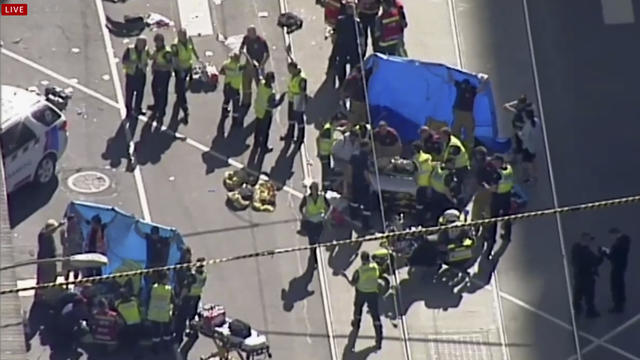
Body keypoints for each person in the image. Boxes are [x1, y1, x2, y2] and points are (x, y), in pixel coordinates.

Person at [349, 251, 382, 350]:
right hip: (373, 294)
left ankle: (357, 324)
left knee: (358, 308)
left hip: (361, 293)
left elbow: (353, 283)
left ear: (362, 260)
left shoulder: (359, 271)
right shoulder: (375, 267)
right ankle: (379, 337)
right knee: (375, 316)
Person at [447, 72, 488, 150]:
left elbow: (451, 80)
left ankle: (462, 146)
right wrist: (485, 82)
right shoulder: (466, 88)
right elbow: (481, 89)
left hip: (463, 111)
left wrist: (485, 82)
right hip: (462, 111)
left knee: (465, 129)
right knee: (460, 129)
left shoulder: (465, 88)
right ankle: (456, 145)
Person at [329, 2, 364, 86]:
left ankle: (342, 82)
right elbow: (361, 36)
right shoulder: (356, 22)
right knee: (353, 64)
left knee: (342, 64)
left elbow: (336, 33)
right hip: (352, 46)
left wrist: (334, 41)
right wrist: (362, 47)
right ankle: (351, 81)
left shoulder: (341, 20)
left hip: (343, 45)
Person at [571, 233, 604, 318]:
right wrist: (601, 255)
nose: (590, 242)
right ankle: (590, 312)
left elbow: (574, 261)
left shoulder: (575, 248)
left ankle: (577, 309)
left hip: (578, 275)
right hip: (587, 276)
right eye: (589, 240)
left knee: (578, 293)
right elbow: (596, 262)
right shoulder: (587, 252)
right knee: (589, 295)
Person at [175, 258, 207, 344]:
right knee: (192, 315)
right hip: (197, 296)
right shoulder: (204, 275)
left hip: (188, 298)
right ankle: (192, 331)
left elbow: (185, 288)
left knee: (183, 316)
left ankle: (180, 334)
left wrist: (180, 299)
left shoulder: (192, 276)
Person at [254, 71, 286, 153]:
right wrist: (281, 99)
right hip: (266, 113)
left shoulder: (261, 84)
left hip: (258, 110)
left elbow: (258, 75)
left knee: (258, 128)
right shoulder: (271, 93)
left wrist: (257, 68)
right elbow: (273, 105)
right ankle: (264, 147)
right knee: (265, 131)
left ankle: (256, 143)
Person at [172, 28, 199, 123]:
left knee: (185, 83)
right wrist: (179, 70)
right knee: (181, 87)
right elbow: (175, 59)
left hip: (188, 65)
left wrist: (197, 58)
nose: (184, 36)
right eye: (181, 35)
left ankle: (180, 93)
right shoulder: (175, 46)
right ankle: (184, 106)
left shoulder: (189, 40)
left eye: (184, 34)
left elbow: (193, 48)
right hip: (180, 68)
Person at [601, 228, 631, 313]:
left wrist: (604, 252)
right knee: (621, 283)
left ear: (614, 234)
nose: (611, 238)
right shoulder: (626, 239)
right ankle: (622, 300)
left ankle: (617, 306)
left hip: (617, 267)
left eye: (611, 235)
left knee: (615, 286)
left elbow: (612, 257)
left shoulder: (618, 244)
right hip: (622, 266)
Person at [239, 26, 270, 109]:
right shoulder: (246, 38)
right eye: (248, 33)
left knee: (260, 84)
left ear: (254, 32)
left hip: (258, 66)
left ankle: (263, 101)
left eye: (250, 33)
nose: (249, 34)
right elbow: (241, 48)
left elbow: (267, 54)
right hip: (249, 64)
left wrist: (262, 65)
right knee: (246, 82)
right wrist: (245, 56)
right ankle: (246, 101)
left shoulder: (261, 41)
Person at [122, 36, 150, 119]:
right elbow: (124, 61)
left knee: (140, 93)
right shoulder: (130, 50)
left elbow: (148, 59)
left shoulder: (146, 50)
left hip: (141, 75)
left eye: (144, 44)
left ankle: (138, 108)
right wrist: (133, 63)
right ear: (137, 43)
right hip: (131, 75)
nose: (143, 45)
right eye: (142, 43)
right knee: (129, 94)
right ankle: (128, 111)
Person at [470, 146, 500, 222]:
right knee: (487, 206)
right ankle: (487, 222)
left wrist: (487, 186)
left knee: (477, 206)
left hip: (484, 188)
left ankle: (476, 222)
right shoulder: (490, 163)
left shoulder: (482, 165)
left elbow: (481, 179)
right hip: (490, 188)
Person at [281, 62, 308, 144]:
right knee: (291, 119)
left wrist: (301, 104)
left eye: (290, 69)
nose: (289, 71)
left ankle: (300, 138)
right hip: (291, 99)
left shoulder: (301, 79)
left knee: (299, 120)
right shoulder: (294, 75)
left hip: (298, 100)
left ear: (294, 69)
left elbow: (303, 92)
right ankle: (290, 135)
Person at [147, 270, 174, 352]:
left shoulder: (152, 288)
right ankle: (166, 347)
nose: (169, 279)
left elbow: (147, 299)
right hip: (165, 315)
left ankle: (155, 349)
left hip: (154, 314)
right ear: (164, 279)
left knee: (156, 333)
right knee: (166, 332)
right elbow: (173, 301)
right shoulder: (169, 289)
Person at [150, 33, 173, 124]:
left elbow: (169, 65)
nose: (156, 44)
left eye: (157, 42)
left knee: (163, 92)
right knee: (154, 88)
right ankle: (156, 105)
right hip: (157, 73)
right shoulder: (158, 50)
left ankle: (162, 110)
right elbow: (153, 58)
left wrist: (158, 67)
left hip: (164, 74)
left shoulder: (166, 52)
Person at [349, 140, 373, 231]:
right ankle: (366, 224)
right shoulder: (365, 157)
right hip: (363, 183)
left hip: (355, 181)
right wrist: (370, 182)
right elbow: (365, 171)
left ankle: (353, 216)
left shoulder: (354, 155)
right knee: (367, 204)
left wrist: (350, 180)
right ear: (366, 147)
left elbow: (349, 168)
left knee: (354, 200)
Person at [299, 182, 330, 247]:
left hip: (319, 221)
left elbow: (328, 206)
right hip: (310, 222)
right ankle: (313, 252)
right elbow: (301, 207)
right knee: (311, 240)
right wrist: (304, 215)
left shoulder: (322, 196)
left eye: (316, 189)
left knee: (318, 238)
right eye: (313, 189)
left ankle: (315, 248)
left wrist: (325, 214)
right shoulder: (307, 198)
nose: (314, 190)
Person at [429, 158, 457, 224]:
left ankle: (432, 223)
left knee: (434, 211)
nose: (454, 165)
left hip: (433, 192)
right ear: (448, 164)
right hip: (441, 196)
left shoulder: (437, 168)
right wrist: (452, 200)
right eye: (452, 164)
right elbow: (446, 190)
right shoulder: (448, 175)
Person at [220, 52, 245, 127]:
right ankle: (234, 121)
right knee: (235, 105)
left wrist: (228, 74)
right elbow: (248, 66)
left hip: (227, 85)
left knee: (226, 100)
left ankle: (224, 112)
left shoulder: (226, 64)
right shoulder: (239, 67)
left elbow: (221, 72)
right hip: (235, 87)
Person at [514, 108, 539, 183]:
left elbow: (524, 137)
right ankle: (533, 174)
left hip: (528, 147)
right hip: (534, 144)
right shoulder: (536, 121)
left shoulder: (528, 126)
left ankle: (532, 177)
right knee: (531, 161)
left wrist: (518, 132)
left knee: (528, 163)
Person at [412, 142, 433, 225]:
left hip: (421, 185)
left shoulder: (415, 159)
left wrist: (415, 182)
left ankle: (420, 221)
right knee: (427, 202)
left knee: (419, 205)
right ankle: (427, 219)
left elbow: (416, 173)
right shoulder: (428, 157)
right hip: (429, 183)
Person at [115, 288, 142, 354]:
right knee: (136, 339)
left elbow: (117, 313)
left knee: (130, 338)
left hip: (127, 324)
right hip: (137, 322)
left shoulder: (117, 303)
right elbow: (139, 309)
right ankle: (137, 352)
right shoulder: (135, 300)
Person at [37, 219, 61, 286]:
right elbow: (48, 232)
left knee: (52, 276)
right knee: (45, 277)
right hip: (45, 259)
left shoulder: (47, 233)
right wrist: (58, 226)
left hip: (51, 258)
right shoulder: (43, 233)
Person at [60, 214, 83, 283]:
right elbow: (63, 242)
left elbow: (82, 240)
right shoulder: (65, 231)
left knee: (76, 268)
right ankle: (67, 283)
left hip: (76, 251)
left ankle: (75, 282)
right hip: (68, 252)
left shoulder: (79, 230)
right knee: (68, 269)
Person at [317, 122, 336, 189]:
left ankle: (325, 186)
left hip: (326, 153)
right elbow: (319, 139)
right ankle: (325, 187)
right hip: (324, 153)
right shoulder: (327, 130)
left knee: (326, 170)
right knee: (325, 171)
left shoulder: (329, 128)